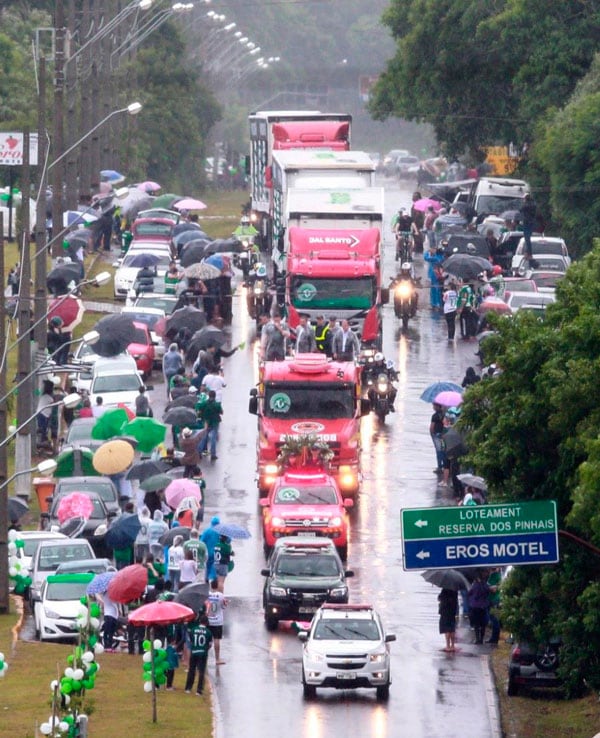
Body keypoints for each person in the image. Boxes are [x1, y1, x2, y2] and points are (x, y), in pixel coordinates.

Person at [185, 614, 213, 694]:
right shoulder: (208, 632)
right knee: (201, 671)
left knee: (191, 670)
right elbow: (210, 644)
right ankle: (199, 690)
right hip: (203, 653)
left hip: (194, 652)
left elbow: (190, 641)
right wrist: (205, 649)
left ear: (199, 622)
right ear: (206, 623)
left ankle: (188, 688)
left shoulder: (193, 630)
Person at [205, 578, 227, 665]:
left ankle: (205, 658)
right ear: (217, 586)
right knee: (216, 639)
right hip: (218, 621)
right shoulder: (221, 596)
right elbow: (224, 606)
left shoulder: (208, 595)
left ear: (211, 586)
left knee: (207, 640)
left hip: (209, 620)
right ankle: (217, 659)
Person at [198, 390, 223, 461]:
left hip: (206, 422)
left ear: (209, 395)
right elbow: (221, 412)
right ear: (215, 396)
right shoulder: (217, 404)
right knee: (213, 439)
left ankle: (199, 452)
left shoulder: (204, 403)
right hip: (215, 423)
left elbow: (199, 410)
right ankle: (213, 454)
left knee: (204, 438)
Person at [467, 572, 490, 644]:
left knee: (476, 624)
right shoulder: (485, 585)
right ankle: (482, 639)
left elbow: (469, 593)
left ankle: (477, 639)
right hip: (483, 606)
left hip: (475, 606)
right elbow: (487, 592)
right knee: (483, 624)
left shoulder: (475, 585)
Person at [519, 193, 539, 264]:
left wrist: (524, 203)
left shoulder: (526, 205)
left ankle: (529, 253)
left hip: (527, 223)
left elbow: (520, 209)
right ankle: (528, 253)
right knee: (528, 238)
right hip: (532, 223)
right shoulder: (534, 205)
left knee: (527, 239)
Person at [201, 516, 221, 582]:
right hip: (218, 553)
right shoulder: (221, 531)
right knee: (215, 568)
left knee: (208, 567)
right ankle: (213, 581)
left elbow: (201, 541)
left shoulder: (207, 531)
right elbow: (228, 540)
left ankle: (206, 581)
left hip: (208, 553)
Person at [438, 588, 458, 652]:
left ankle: (448, 646)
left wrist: (439, 597)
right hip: (452, 611)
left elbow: (440, 598)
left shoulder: (445, 589)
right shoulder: (455, 590)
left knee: (446, 628)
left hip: (445, 611)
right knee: (452, 628)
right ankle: (452, 645)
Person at [486, 568, 502, 644]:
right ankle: (493, 638)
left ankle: (495, 639)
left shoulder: (497, 576)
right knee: (493, 619)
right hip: (492, 600)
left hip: (494, 600)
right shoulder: (491, 575)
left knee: (495, 619)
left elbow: (495, 589)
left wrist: (488, 587)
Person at [430, 402, 446, 476]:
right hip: (444, 435)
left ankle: (440, 467)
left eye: (434, 405)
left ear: (437, 406)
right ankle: (445, 466)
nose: (433, 407)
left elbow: (432, 427)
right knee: (444, 450)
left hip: (436, 435)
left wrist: (432, 434)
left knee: (438, 451)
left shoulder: (435, 416)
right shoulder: (445, 415)